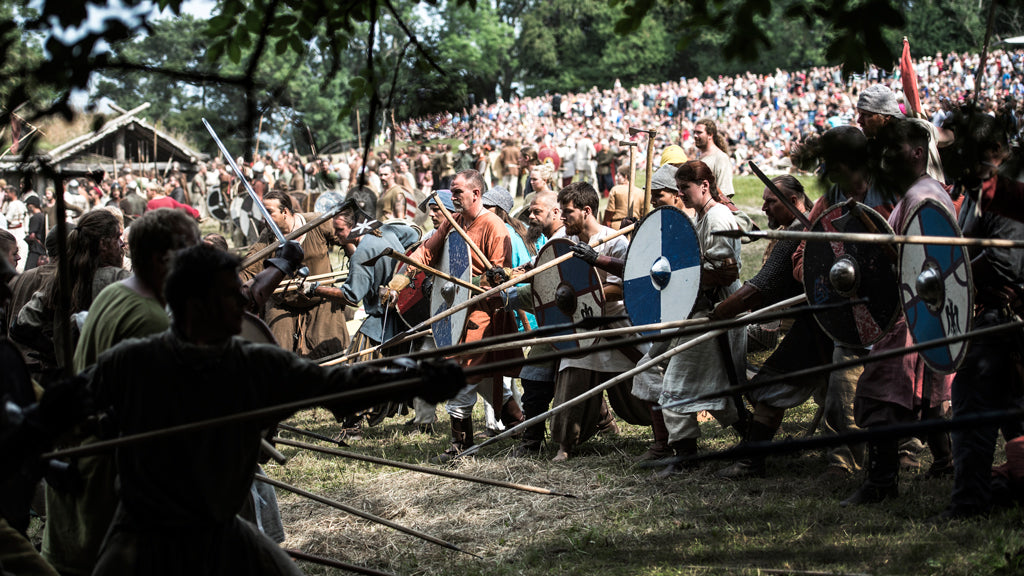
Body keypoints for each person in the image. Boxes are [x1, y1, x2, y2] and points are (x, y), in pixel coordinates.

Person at [83, 244, 462, 576]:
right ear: (196, 305)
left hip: (219, 527)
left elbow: (339, 390)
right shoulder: (132, 363)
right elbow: (62, 408)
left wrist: (412, 376)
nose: (245, 301)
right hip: (144, 532)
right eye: (232, 295)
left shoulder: (255, 363)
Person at [385, 169, 522, 463]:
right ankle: (521, 428)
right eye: (452, 191)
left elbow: (501, 277)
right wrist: (399, 281)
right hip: (454, 312)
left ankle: (460, 446)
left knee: (462, 377)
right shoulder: (454, 223)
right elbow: (425, 253)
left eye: (458, 192)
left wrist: (485, 281)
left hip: (483, 317)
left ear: (476, 193)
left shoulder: (494, 227)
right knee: (485, 381)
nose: (453, 197)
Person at [710, 176, 832, 479]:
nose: (764, 207)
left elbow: (762, 287)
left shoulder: (797, 233)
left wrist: (721, 312)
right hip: (818, 323)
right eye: (764, 200)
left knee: (769, 388)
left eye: (771, 201)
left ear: (794, 202)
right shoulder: (798, 230)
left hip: (820, 325)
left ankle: (752, 461)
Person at [649, 161, 746, 476]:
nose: (681, 194)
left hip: (719, 312)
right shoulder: (701, 216)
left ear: (705, 184)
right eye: (678, 189)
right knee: (721, 391)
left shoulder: (718, 216)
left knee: (676, 384)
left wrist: (678, 274)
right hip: (701, 311)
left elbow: (722, 273)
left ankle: (686, 457)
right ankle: (755, 443)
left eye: (685, 188)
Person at [549, 182, 643, 462]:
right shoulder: (564, 242)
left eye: (568, 212)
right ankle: (565, 445)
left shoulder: (615, 240)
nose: (562, 218)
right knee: (572, 379)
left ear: (586, 210)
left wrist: (590, 294)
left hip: (615, 321)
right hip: (582, 325)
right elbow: (545, 274)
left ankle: (670, 430)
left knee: (643, 376)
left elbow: (626, 285)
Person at [11, 209, 129, 378]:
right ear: (103, 244)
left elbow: (21, 325)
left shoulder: (58, 280)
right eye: (117, 238)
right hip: (109, 381)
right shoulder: (119, 278)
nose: (122, 244)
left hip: (73, 381)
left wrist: (53, 350)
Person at [241, 190, 350, 359]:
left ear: (285, 212)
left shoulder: (316, 222)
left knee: (330, 352)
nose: (264, 218)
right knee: (277, 355)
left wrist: (356, 258)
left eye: (269, 212)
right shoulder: (267, 237)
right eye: (263, 212)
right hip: (283, 303)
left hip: (320, 298)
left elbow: (347, 236)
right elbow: (248, 270)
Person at [693, 118, 735, 198]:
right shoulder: (699, 157)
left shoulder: (721, 158)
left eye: (699, 132)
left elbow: (725, 192)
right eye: (694, 132)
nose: (695, 135)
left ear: (710, 135)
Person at [602, 164, 644, 229]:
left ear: (625, 177)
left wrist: (604, 225)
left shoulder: (615, 189)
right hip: (635, 228)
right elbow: (642, 214)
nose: (616, 178)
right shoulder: (640, 192)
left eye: (618, 176)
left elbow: (609, 212)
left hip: (617, 228)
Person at [23, 196, 46, 270]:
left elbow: (32, 236)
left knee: (28, 271)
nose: (27, 206)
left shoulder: (35, 217)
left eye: (28, 204)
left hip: (36, 249)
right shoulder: (43, 216)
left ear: (32, 205)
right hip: (43, 249)